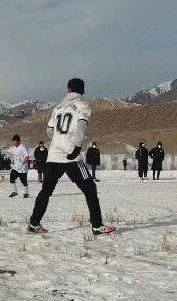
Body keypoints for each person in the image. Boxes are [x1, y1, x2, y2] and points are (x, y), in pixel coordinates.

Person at [28, 78, 114, 235]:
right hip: (71, 155)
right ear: (82, 91)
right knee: (90, 189)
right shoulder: (83, 106)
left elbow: (49, 130)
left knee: (45, 191)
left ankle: (34, 224)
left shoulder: (58, 107)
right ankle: (97, 225)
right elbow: (81, 126)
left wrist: (58, 141)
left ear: (68, 90)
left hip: (53, 155)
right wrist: (77, 146)